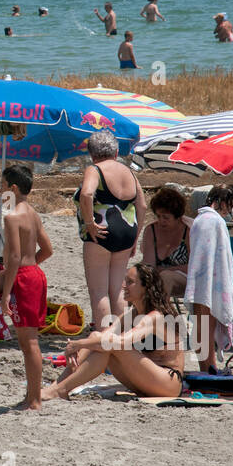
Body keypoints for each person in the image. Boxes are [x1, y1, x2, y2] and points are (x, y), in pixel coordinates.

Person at [43, 263, 186, 401]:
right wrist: (79, 346)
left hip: (168, 383)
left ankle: (61, 389)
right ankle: (57, 387)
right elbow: (101, 336)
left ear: (145, 287)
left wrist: (78, 344)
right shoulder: (132, 314)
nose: (124, 286)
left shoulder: (156, 317)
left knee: (112, 344)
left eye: (130, 282)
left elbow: (120, 342)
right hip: (146, 380)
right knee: (96, 338)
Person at [76, 129, 146, 332]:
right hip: (128, 231)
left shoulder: (94, 169)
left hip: (102, 232)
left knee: (99, 292)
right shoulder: (129, 172)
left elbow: (87, 194)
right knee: (117, 290)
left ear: (92, 154)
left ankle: (105, 340)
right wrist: (135, 238)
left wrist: (89, 223)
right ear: (116, 153)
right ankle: (121, 339)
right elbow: (142, 206)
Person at [0, 164, 52, 411]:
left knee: (28, 343)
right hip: (36, 276)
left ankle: (35, 399)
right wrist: (31, 269)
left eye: (2, 185)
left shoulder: (12, 217)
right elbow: (47, 250)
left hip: (23, 278)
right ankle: (32, 396)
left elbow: (15, 257)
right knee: (29, 340)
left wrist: (6, 291)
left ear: (13, 188)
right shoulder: (32, 213)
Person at [184, 184, 233, 374]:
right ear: (222, 202)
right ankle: (208, 368)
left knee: (203, 326)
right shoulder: (213, 221)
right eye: (230, 206)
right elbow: (218, 257)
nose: (230, 212)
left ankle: (208, 368)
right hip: (211, 281)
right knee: (205, 327)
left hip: (201, 279)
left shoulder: (200, 219)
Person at [144, 186, 192, 296]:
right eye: (158, 216)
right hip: (157, 278)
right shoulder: (151, 230)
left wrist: (169, 269)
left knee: (166, 276)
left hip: (186, 280)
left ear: (178, 216)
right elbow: (148, 265)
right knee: (132, 278)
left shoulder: (189, 232)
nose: (161, 221)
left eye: (166, 217)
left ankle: (159, 311)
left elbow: (194, 267)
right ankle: (134, 312)